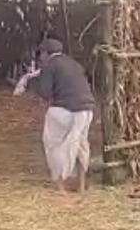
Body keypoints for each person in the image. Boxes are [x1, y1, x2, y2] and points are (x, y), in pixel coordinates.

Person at [34, 38, 95, 194]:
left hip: (64, 109)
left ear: (46, 53)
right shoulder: (74, 64)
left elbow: (44, 91)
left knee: (55, 145)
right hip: (86, 110)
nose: (40, 57)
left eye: (41, 53)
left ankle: (60, 187)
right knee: (80, 144)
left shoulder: (50, 64)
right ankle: (81, 185)